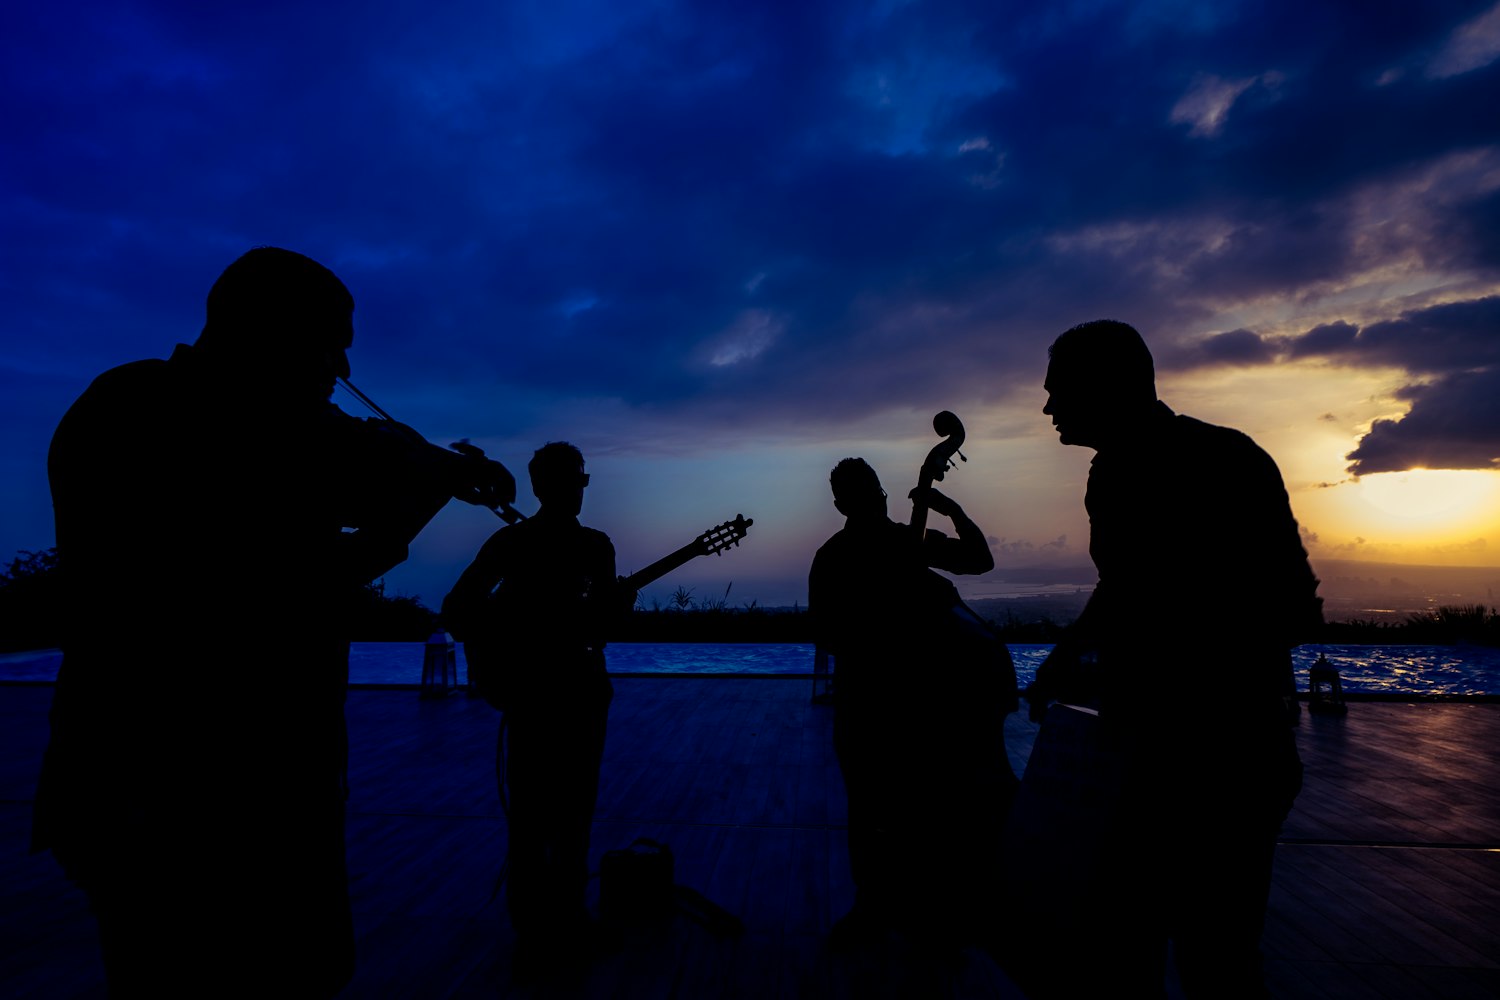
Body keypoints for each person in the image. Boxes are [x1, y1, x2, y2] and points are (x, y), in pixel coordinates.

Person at [33, 247, 517, 996]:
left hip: (127, 776)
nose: (345, 362)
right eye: (333, 340)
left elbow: (347, 467)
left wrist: (430, 470)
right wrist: (427, 491)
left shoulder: (127, 403)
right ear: (273, 334)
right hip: (209, 789)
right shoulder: (216, 424)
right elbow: (305, 573)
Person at [1019, 319, 1322, 998]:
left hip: (1216, 761)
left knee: (1202, 959)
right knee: (1181, 955)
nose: (1047, 409)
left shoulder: (1211, 462)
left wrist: (1164, 668)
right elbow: (1124, 587)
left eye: (1058, 390)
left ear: (1106, 387)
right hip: (1172, 758)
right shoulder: (1125, 471)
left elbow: (1289, 606)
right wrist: (1065, 659)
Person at [808, 457, 1016, 953]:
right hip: (870, 701)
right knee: (870, 807)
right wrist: (882, 630)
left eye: (876, 493)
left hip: (920, 709)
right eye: (865, 496)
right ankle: (876, 905)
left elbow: (979, 559)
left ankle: (916, 907)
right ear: (844, 504)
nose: (877, 502)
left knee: (912, 806)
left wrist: (949, 508)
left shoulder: (909, 542)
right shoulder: (836, 557)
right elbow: (828, 633)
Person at [442, 442, 630, 979]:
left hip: (537, 697)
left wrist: (499, 659)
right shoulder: (595, 546)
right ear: (561, 485)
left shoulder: (511, 542)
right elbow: (606, 629)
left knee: (535, 815)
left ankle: (536, 929)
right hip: (572, 694)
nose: (579, 489)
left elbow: (458, 611)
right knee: (569, 814)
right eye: (577, 480)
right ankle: (562, 921)